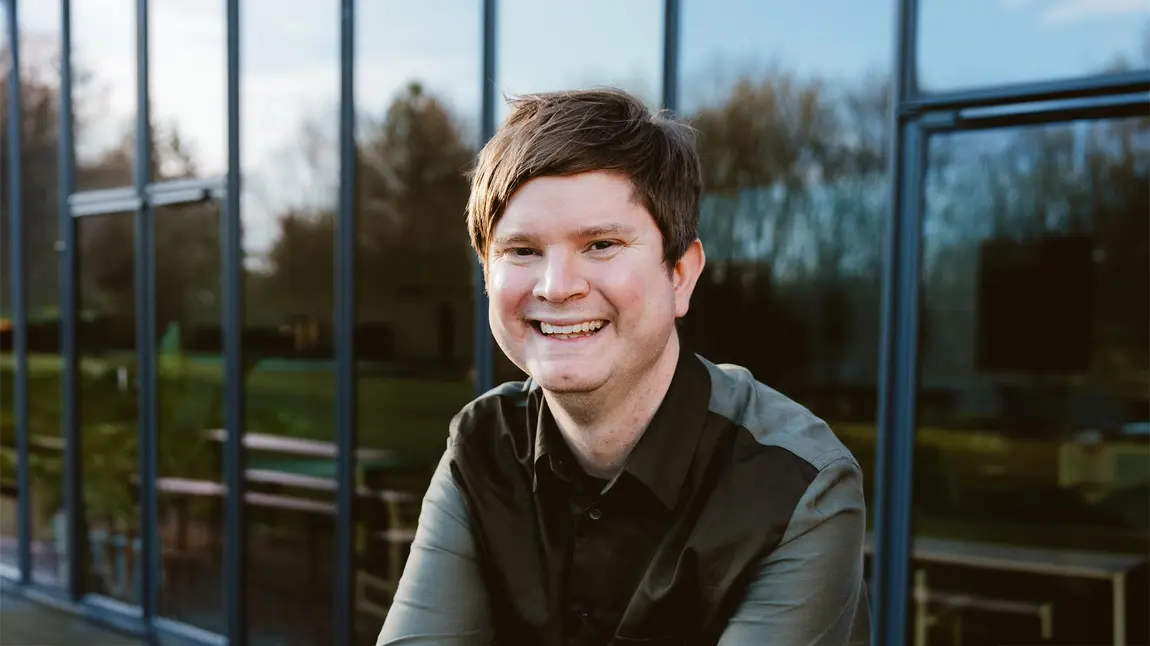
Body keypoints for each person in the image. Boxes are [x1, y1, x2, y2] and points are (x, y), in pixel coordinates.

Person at [377, 87, 870, 645]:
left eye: (601, 244)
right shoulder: (483, 444)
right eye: (521, 250)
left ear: (680, 274)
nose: (557, 287)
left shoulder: (798, 484)